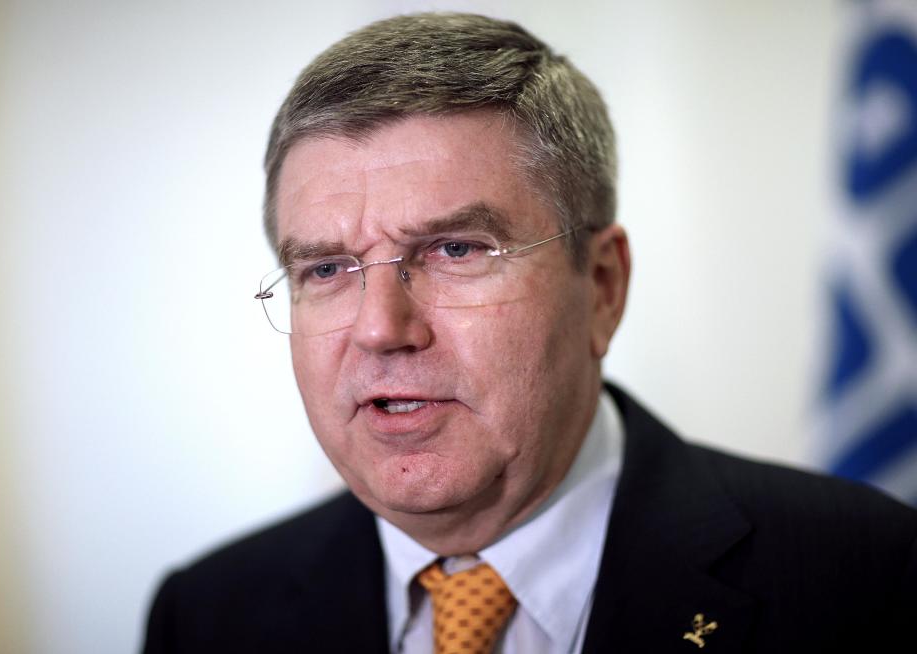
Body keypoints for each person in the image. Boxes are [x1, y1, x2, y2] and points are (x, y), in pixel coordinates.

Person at [142, 13, 916, 654]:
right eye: (326, 270)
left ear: (603, 286)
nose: (380, 329)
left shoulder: (869, 578)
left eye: (455, 251)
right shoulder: (209, 616)